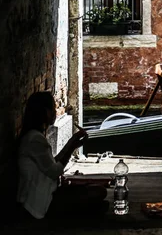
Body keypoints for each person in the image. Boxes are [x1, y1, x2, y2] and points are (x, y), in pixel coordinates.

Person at [17, 91, 107, 220]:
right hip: (40, 202)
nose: (55, 113)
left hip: (45, 193)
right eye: (53, 109)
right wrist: (71, 146)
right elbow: (55, 171)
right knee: (97, 193)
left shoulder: (35, 136)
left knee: (97, 192)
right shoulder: (34, 139)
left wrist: (72, 143)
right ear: (45, 112)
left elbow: (52, 163)